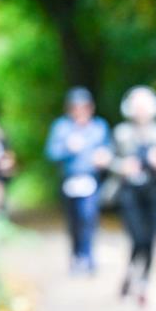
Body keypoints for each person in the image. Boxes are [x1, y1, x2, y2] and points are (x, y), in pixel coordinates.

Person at [104, 86, 156, 307]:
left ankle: (142, 281)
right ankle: (132, 273)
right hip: (129, 192)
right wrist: (123, 167)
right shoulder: (121, 133)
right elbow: (108, 160)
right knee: (137, 236)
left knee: (151, 240)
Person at [46, 87, 112, 274]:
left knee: (88, 217)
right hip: (70, 180)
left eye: (84, 107)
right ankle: (76, 256)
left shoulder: (99, 127)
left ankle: (88, 256)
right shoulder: (61, 127)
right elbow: (51, 153)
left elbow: (108, 150)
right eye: (76, 107)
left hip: (91, 179)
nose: (80, 111)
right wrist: (68, 148)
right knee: (74, 221)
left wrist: (104, 157)